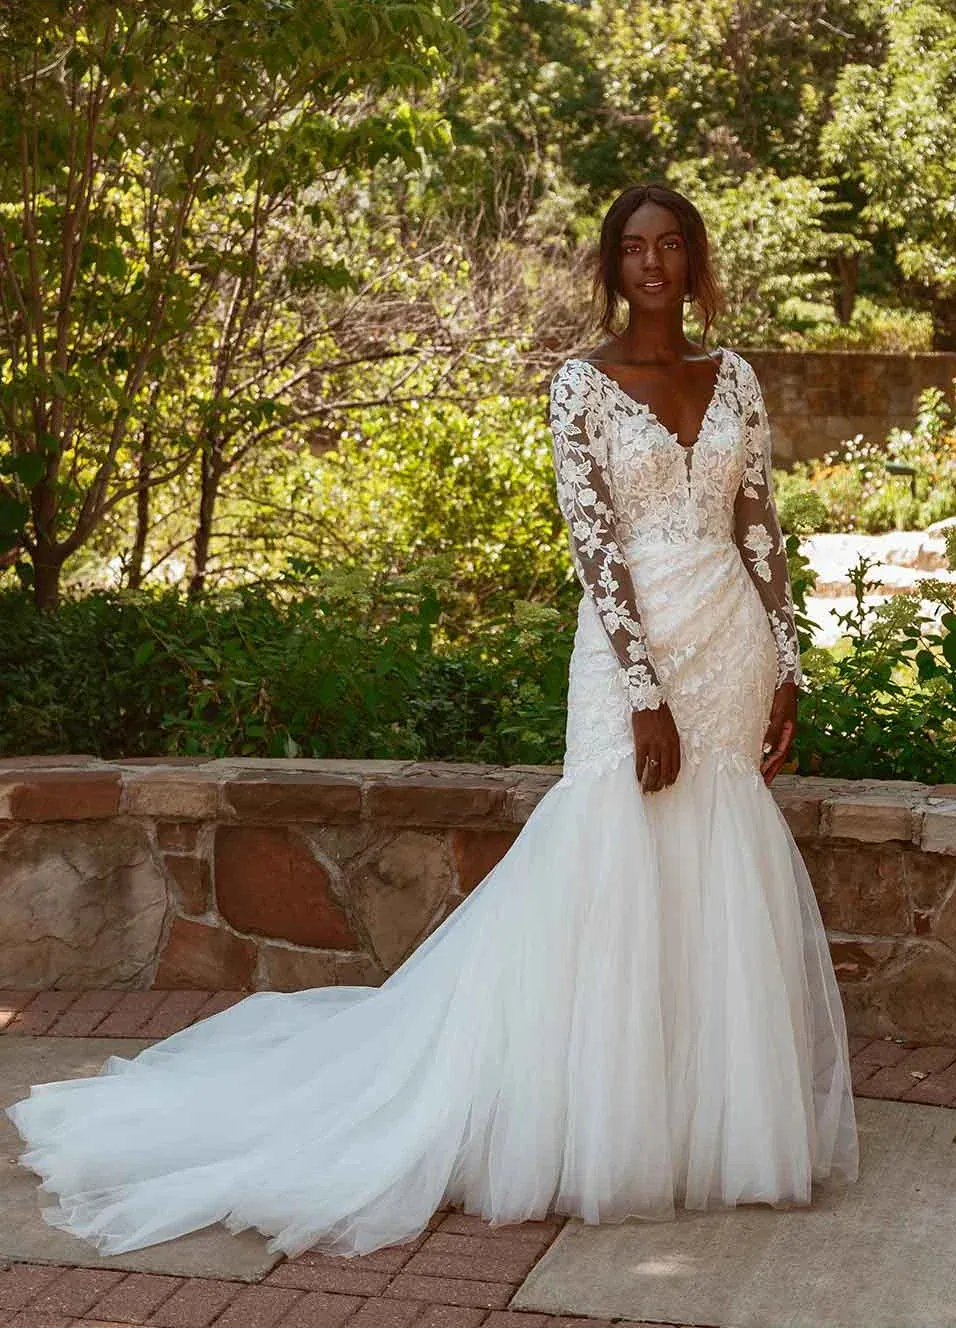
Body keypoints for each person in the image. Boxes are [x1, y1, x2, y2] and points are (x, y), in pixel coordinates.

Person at [6, 182, 858, 1262]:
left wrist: (786, 661)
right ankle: (582, 1113)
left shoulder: (732, 376)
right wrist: (640, 689)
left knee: (710, 865)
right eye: (633, 247)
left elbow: (761, 528)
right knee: (609, 857)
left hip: (730, 650)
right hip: (632, 650)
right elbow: (593, 550)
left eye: (671, 244)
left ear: (693, 261)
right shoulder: (579, 386)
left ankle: (701, 1119)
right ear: (611, 266)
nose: (652, 262)